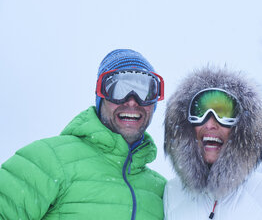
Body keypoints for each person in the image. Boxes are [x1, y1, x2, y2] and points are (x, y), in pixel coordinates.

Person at [0, 49, 166, 219]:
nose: (132, 101)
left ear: (153, 105)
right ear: (100, 97)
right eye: (118, 89)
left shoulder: (162, 193)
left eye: (145, 91)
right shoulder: (48, 159)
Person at [163, 66, 262, 220]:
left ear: (243, 129)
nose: (210, 125)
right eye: (199, 113)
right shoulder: (172, 194)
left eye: (224, 114)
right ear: (185, 127)